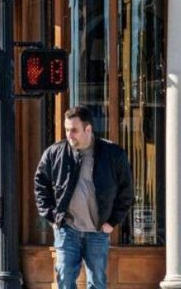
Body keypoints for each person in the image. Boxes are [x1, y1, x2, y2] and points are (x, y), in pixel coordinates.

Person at [34, 106, 134, 289]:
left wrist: (112, 222)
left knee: (97, 282)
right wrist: (53, 217)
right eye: (66, 130)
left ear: (88, 129)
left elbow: (126, 192)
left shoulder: (112, 154)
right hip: (67, 229)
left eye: (74, 130)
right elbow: (40, 185)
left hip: (97, 231)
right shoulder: (54, 153)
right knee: (64, 279)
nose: (69, 135)